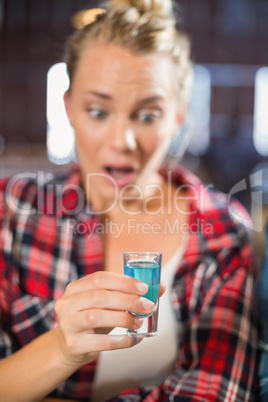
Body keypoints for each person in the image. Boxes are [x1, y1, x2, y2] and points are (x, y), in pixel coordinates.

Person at [0, 0, 258, 400]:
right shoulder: (13, 213)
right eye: (99, 111)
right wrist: (62, 348)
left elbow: (218, 391)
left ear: (176, 119)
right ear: (69, 109)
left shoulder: (224, 229)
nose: (123, 141)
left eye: (148, 116)